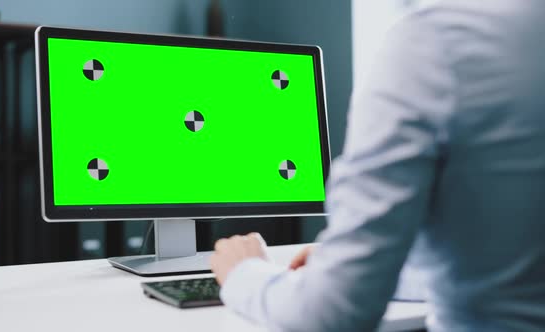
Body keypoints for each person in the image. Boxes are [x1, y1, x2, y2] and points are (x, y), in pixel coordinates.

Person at [209, 1, 545, 331]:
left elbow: (331, 315)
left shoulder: (436, 42)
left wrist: (242, 273)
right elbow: (507, 267)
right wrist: (359, 265)